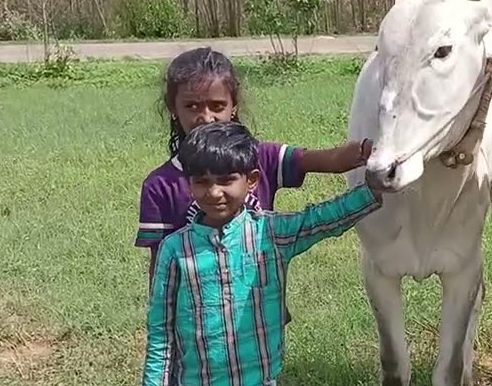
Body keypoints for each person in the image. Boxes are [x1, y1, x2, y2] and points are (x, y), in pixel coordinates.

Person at [138, 121, 380, 386]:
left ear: (251, 181)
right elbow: (160, 324)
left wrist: (374, 191)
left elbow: (323, 219)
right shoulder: (176, 250)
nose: (214, 193)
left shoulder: (272, 233)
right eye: (202, 182)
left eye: (226, 180)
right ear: (189, 185)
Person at [136, 46, 369, 280]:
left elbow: (326, 161)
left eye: (217, 106)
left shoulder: (261, 157)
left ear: (233, 105)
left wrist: (365, 152)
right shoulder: (160, 186)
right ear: (173, 108)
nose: (206, 117)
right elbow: (160, 268)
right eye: (192, 106)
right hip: (198, 309)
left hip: (257, 300)